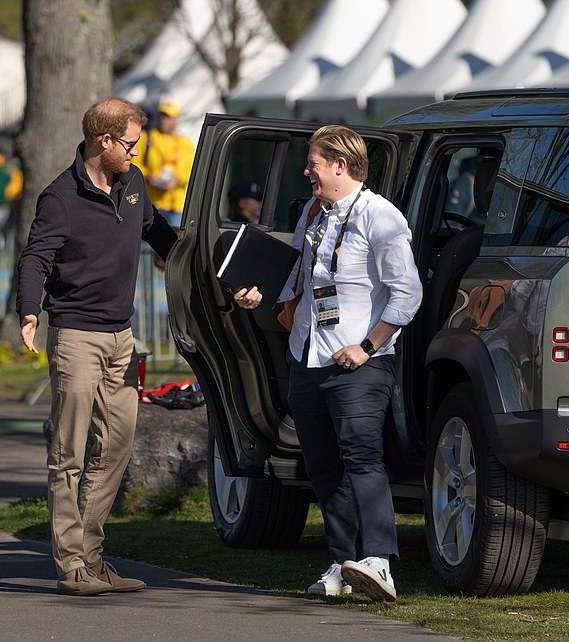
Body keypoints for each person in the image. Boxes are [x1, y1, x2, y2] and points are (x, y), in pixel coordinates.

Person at [233, 125, 422, 602]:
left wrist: (369, 345)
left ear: (340, 165)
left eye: (313, 162)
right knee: (322, 467)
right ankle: (342, 561)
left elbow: (408, 294)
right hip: (308, 356)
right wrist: (262, 293)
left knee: (362, 457)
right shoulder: (315, 213)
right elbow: (298, 275)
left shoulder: (381, 217)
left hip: (359, 363)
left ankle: (378, 559)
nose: (307, 171)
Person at [16, 97, 177, 597]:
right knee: (69, 453)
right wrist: (28, 310)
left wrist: (205, 272)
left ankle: (91, 555)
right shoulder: (60, 197)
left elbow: (161, 236)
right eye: (130, 145)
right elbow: (36, 258)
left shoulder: (133, 186)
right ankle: (71, 566)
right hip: (76, 337)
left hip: (121, 336)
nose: (136, 154)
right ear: (103, 141)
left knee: (116, 445)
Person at [132, 99, 195, 228]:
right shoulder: (146, 138)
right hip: (153, 203)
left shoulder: (185, 143)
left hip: (177, 204)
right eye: (161, 115)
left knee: (174, 244)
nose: (163, 119)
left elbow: (192, 170)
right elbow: (134, 163)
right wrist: (148, 176)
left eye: (168, 116)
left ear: (176, 119)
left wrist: (177, 180)